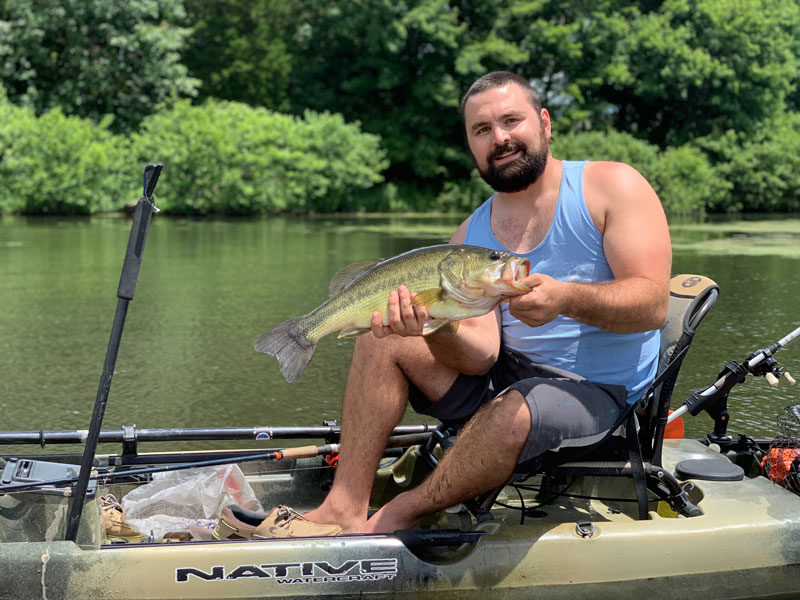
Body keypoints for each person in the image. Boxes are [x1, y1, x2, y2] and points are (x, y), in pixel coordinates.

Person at [258, 71, 670, 536]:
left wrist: (566, 298)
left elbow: (653, 304)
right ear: (472, 146)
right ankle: (343, 507)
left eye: (512, 120)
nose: (501, 138)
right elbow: (480, 358)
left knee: (513, 408)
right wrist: (435, 328)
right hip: (507, 377)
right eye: (482, 130)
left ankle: (400, 515)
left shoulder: (612, 186)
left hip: (600, 393)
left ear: (545, 123)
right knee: (382, 339)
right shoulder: (470, 235)